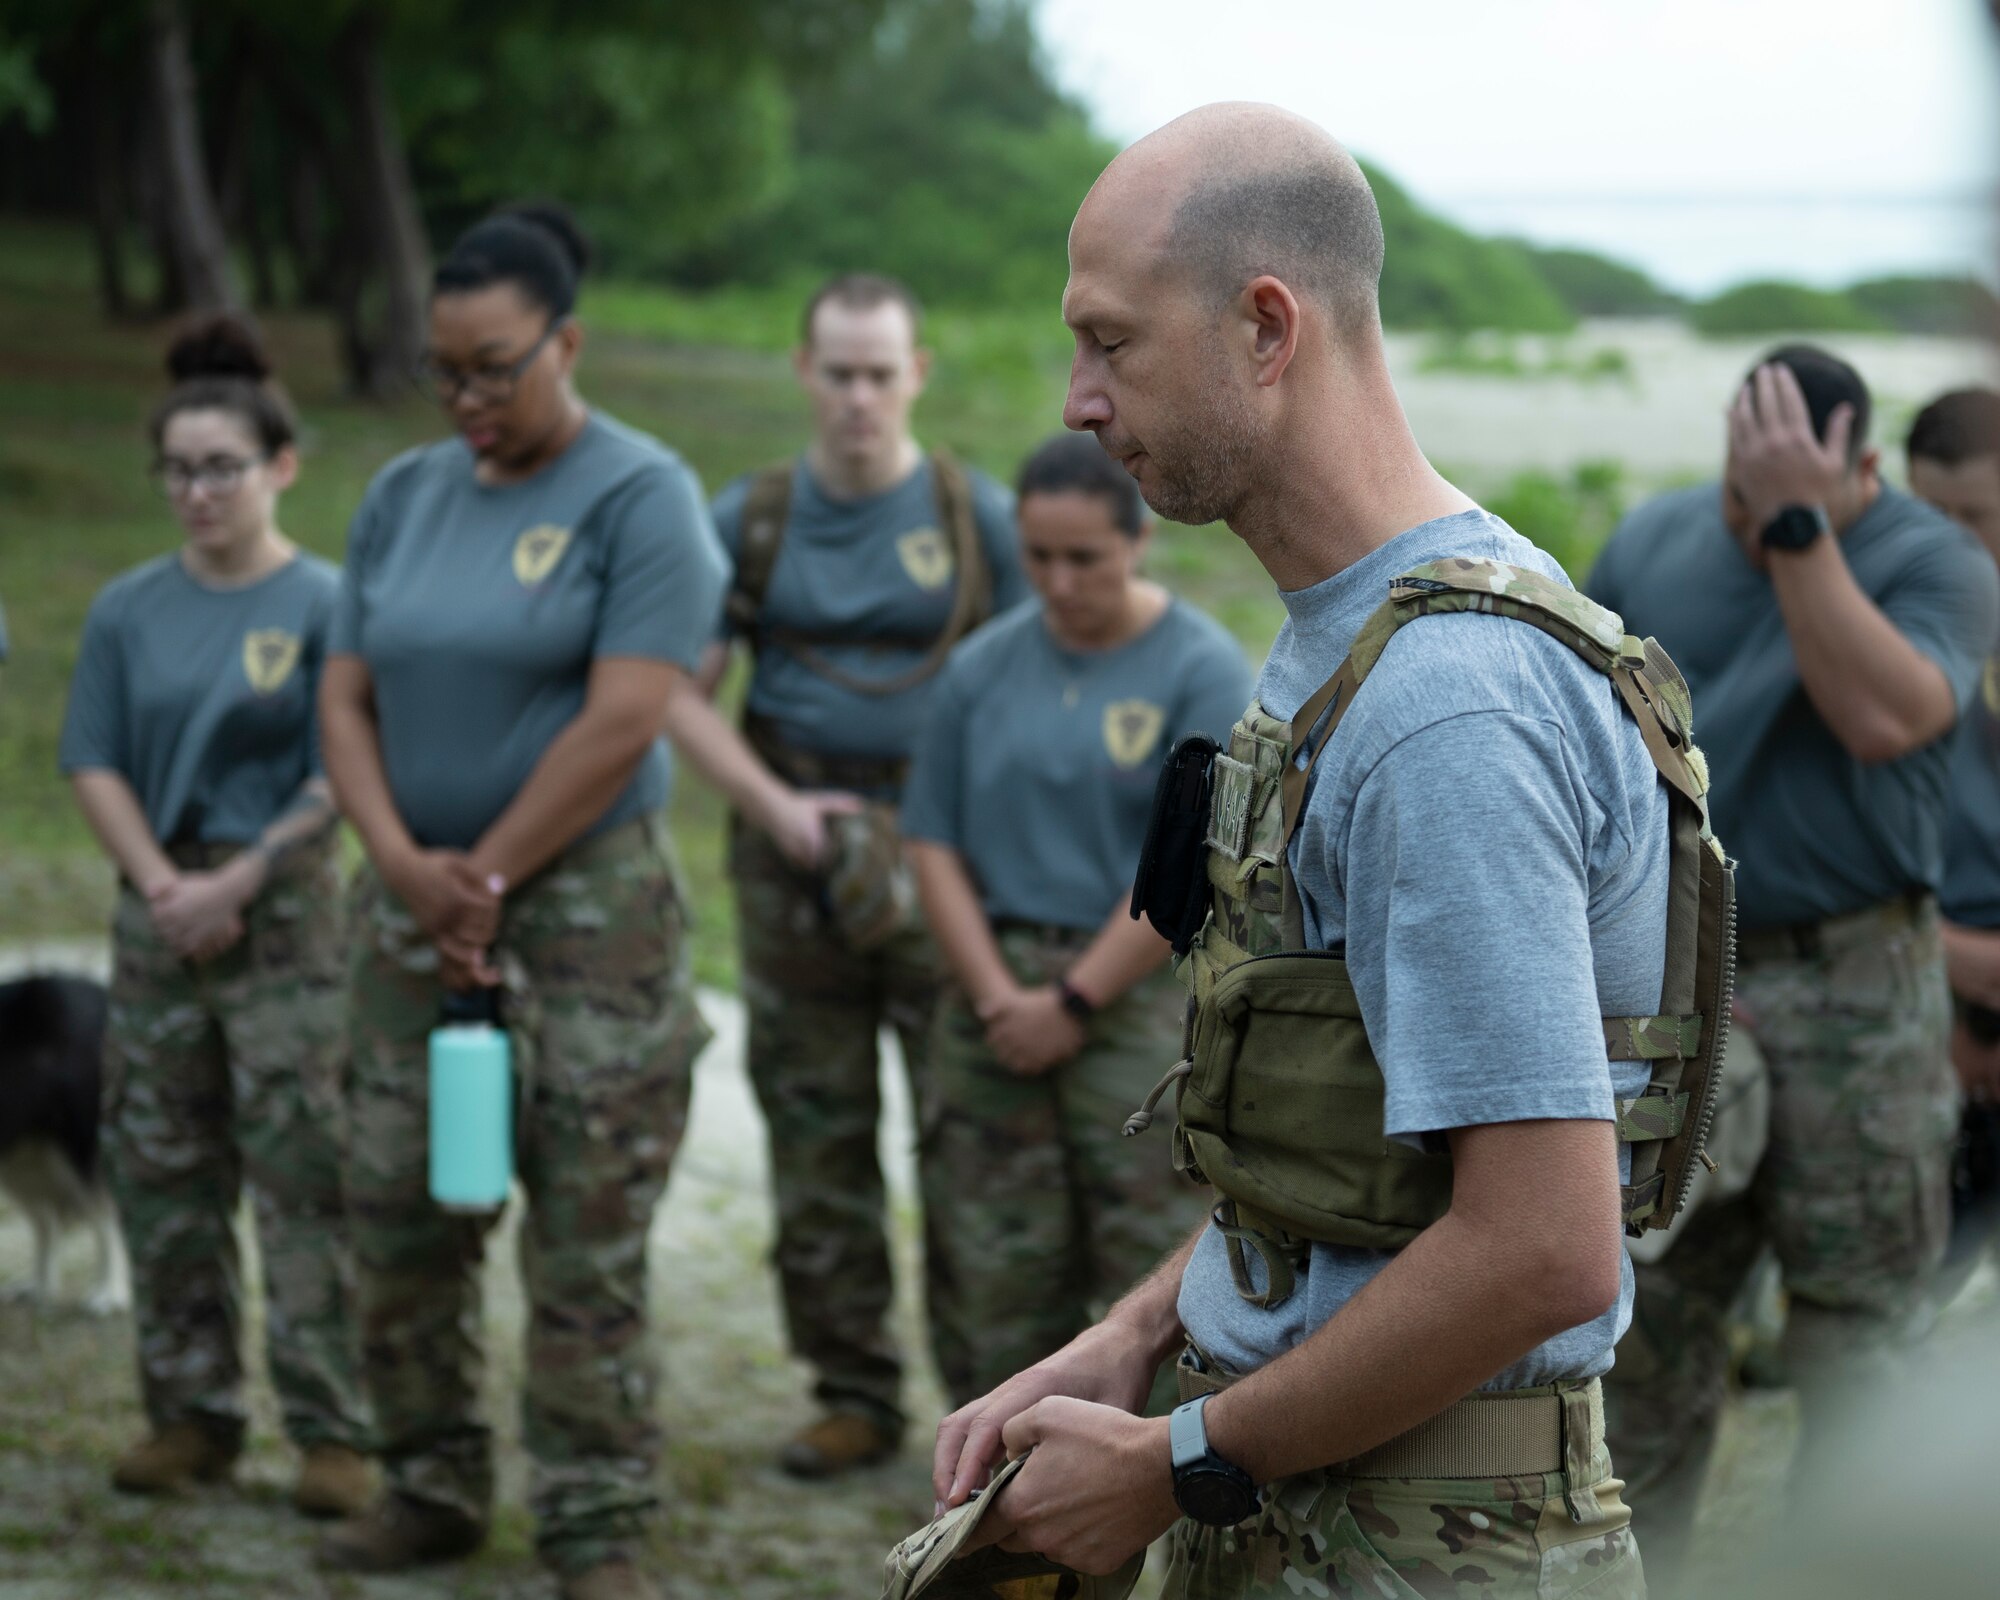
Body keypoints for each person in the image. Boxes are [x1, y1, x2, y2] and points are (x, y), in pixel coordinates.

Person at [926, 102, 1702, 1598]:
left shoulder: (1443, 709)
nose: (1078, 400)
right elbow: (1351, 1171)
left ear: (1266, 328)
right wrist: (1143, 1331)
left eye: (1111, 341)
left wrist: (1175, 1459)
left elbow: (1546, 1248)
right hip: (1310, 1497)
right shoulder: (1341, 645)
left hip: (1419, 1545)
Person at [314, 205, 726, 1600]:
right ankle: (426, 1482)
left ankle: (594, 1523)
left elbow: (630, 714)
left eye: (496, 368)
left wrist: (485, 873)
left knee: (583, 1228)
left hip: (583, 918)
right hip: (409, 910)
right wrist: (399, 862)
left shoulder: (640, 494)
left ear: (567, 342)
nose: (469, 401)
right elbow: (343, 694)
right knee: (397, 1203)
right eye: (446, 372)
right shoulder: (404, 494)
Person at [1588, 351, 1997, 1589]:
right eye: (1734, 477)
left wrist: (1794, 529)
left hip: (1855, 989)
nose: (1739, 503)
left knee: (1853, 1341)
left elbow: (1882, 715)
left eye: (1774, 478)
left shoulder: (1935, 560)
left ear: (1858, 468)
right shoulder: (1652, 540)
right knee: (1649, 1328)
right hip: (1679, 981)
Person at [698, 273, 1030, 1476]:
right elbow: (671, 700)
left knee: (962, 1138)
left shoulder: (972, 514)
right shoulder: (750, 516)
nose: (856, 397)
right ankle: (848, 1390)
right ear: (802, 371)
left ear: (916, 374)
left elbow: (1042, 675)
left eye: (879, 373)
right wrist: (773, 806)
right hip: (792, 858)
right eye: (836, 372)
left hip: (940, 857)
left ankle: (984, 1405)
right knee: (814, 1129)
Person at [58, 314, 372, 1516]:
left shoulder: (330, 601)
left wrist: (238, 880)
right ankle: (190, 1413)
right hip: (159, 910)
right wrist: (163, 886)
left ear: (280, 466)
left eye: (222, 467)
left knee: (305, 1171)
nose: (197, 491)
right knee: (163, 1167)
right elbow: (91, 757)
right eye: (179, 469)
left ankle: (330, 1429)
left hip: (283, 915)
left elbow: (342, 761)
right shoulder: (126, 609)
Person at [900, 432, 1250, 1409]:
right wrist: (996, 997)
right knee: (991, 1253)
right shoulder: (979, 667)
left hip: (1129, 997)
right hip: (991, 991)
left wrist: (1071, 996)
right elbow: (931, 840)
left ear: (1137, 538)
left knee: (1145, 1257)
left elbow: (1193, 866)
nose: (1056, 581)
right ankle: (988, 1496)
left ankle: (1144, 1480)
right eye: (1037, 557)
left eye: (1082, 558)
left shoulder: (1197, 669)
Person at [1908, 387, 2000, 1289]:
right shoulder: (1884, 627)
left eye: (1973, 517)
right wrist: (1938, 965)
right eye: (1926, 513)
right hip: (1921, 1009)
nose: (1947, 540)